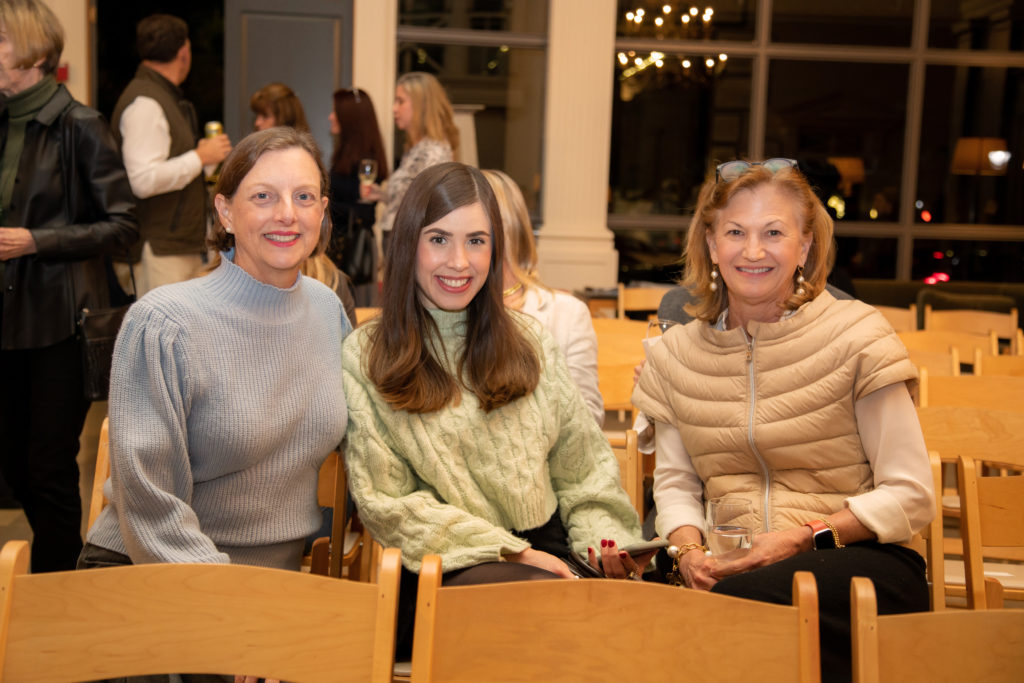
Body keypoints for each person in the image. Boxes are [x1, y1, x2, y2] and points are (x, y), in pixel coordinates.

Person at [632, 158, 934, 682]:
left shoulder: (858, 336)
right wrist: (687, 552)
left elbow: (911, 494)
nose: (753, 251)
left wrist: (801, 538)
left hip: (853, 560)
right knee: (625, 621)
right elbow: (677, 485)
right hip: (726, 565)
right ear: (710, 244)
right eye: (735, 232)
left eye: (773, 232)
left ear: (806, 246)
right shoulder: (674, 355)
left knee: (736, 611)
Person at [343, 162, 646, 656]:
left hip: (550, 556)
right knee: (571, 623)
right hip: (438, 570)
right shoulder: (367, 354)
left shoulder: (531, 342)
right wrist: (514, 552)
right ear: (407, 246)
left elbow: (585, 473)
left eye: (477, 241)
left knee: (639, 621)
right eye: (439, 239)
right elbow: (387, 503)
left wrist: (604, 545)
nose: (459, 261)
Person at [80, 127, 350, 574]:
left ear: (322, 212)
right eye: (263, 197)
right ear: (224, 211)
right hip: (150, 569)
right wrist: (224, 591)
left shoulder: (327, 311)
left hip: (274, 584)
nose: (287, 214)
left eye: (304, 197)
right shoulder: (164, 323)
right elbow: (150, 503)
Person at [0, 0, 137, 573]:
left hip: (58, 321)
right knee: (12, 464)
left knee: (49, 465)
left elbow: (124, 224)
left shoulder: (79, 125)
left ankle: (60, 588)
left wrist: (38, 240)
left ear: (30, 52)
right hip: (7, 320)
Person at [111, 13, 231, 296]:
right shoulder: (146, 103)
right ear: (184, 52)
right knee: (163, 339)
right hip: (158, 250)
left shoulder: (162, 97)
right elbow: (142, 180)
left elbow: (164, 170)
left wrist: (204, 162)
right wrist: (199, 157)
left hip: (174, 245)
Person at [482, 169, 603, 426]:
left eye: (474, 234)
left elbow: (589, 419)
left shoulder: (566, 314)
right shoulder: (448, 311)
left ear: (507, 230)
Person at [361, 72, 459, 241]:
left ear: (422, 105)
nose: (394, 108)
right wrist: (383, 195)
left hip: (409, 240)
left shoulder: (433, 151)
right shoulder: (416, 148)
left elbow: (428, 205)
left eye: (401, 101)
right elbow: (409, 196)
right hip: (400, 236)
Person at [327, 87, 388, 304]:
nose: (330, 116)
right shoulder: (345, 155)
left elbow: (364, 214)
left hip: (353, 246)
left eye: (336, 112)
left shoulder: (365, 161)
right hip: (347, 244)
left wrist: (326, 205)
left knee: (353, 306)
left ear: (350, 119)